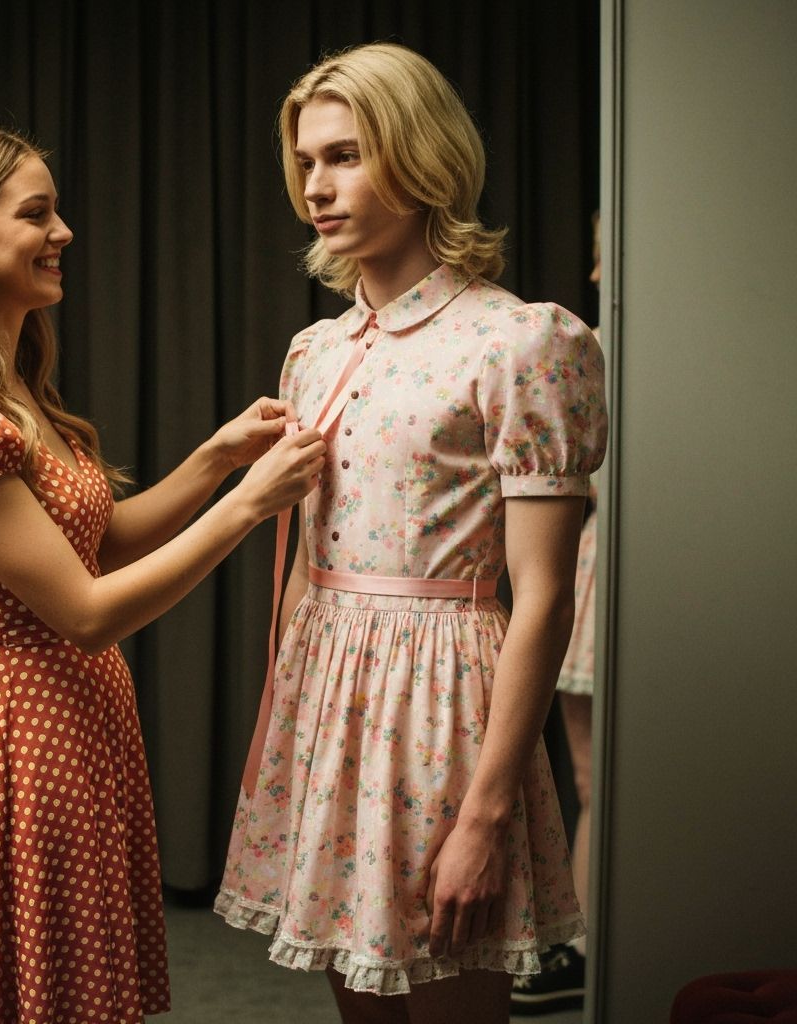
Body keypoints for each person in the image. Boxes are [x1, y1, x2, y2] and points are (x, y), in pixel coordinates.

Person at [0, 121, 326, 1023]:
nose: (64, 232)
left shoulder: (8, 381)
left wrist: (217, 459)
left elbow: (95, 548)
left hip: (75, 733)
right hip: (21, 751)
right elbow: (86, 612)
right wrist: (251, 505)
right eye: (37, 214)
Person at [214, 43, 608, 1024]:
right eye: (306, 161)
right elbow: (307, 569)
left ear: (421, 156)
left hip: (445, 717)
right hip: (336, 712)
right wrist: (295, 761)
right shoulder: (315, 350)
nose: (317, 185)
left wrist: (483, 812)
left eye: (345, 155)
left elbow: (544, 596)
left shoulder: (519, 341)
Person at [510, 210, 603, 1016]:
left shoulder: (555, 346)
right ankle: (576, 942)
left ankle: (578, 941)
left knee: (591, 772)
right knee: (584, 770)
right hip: (593, 553)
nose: (599, 276)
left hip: (596, 558)